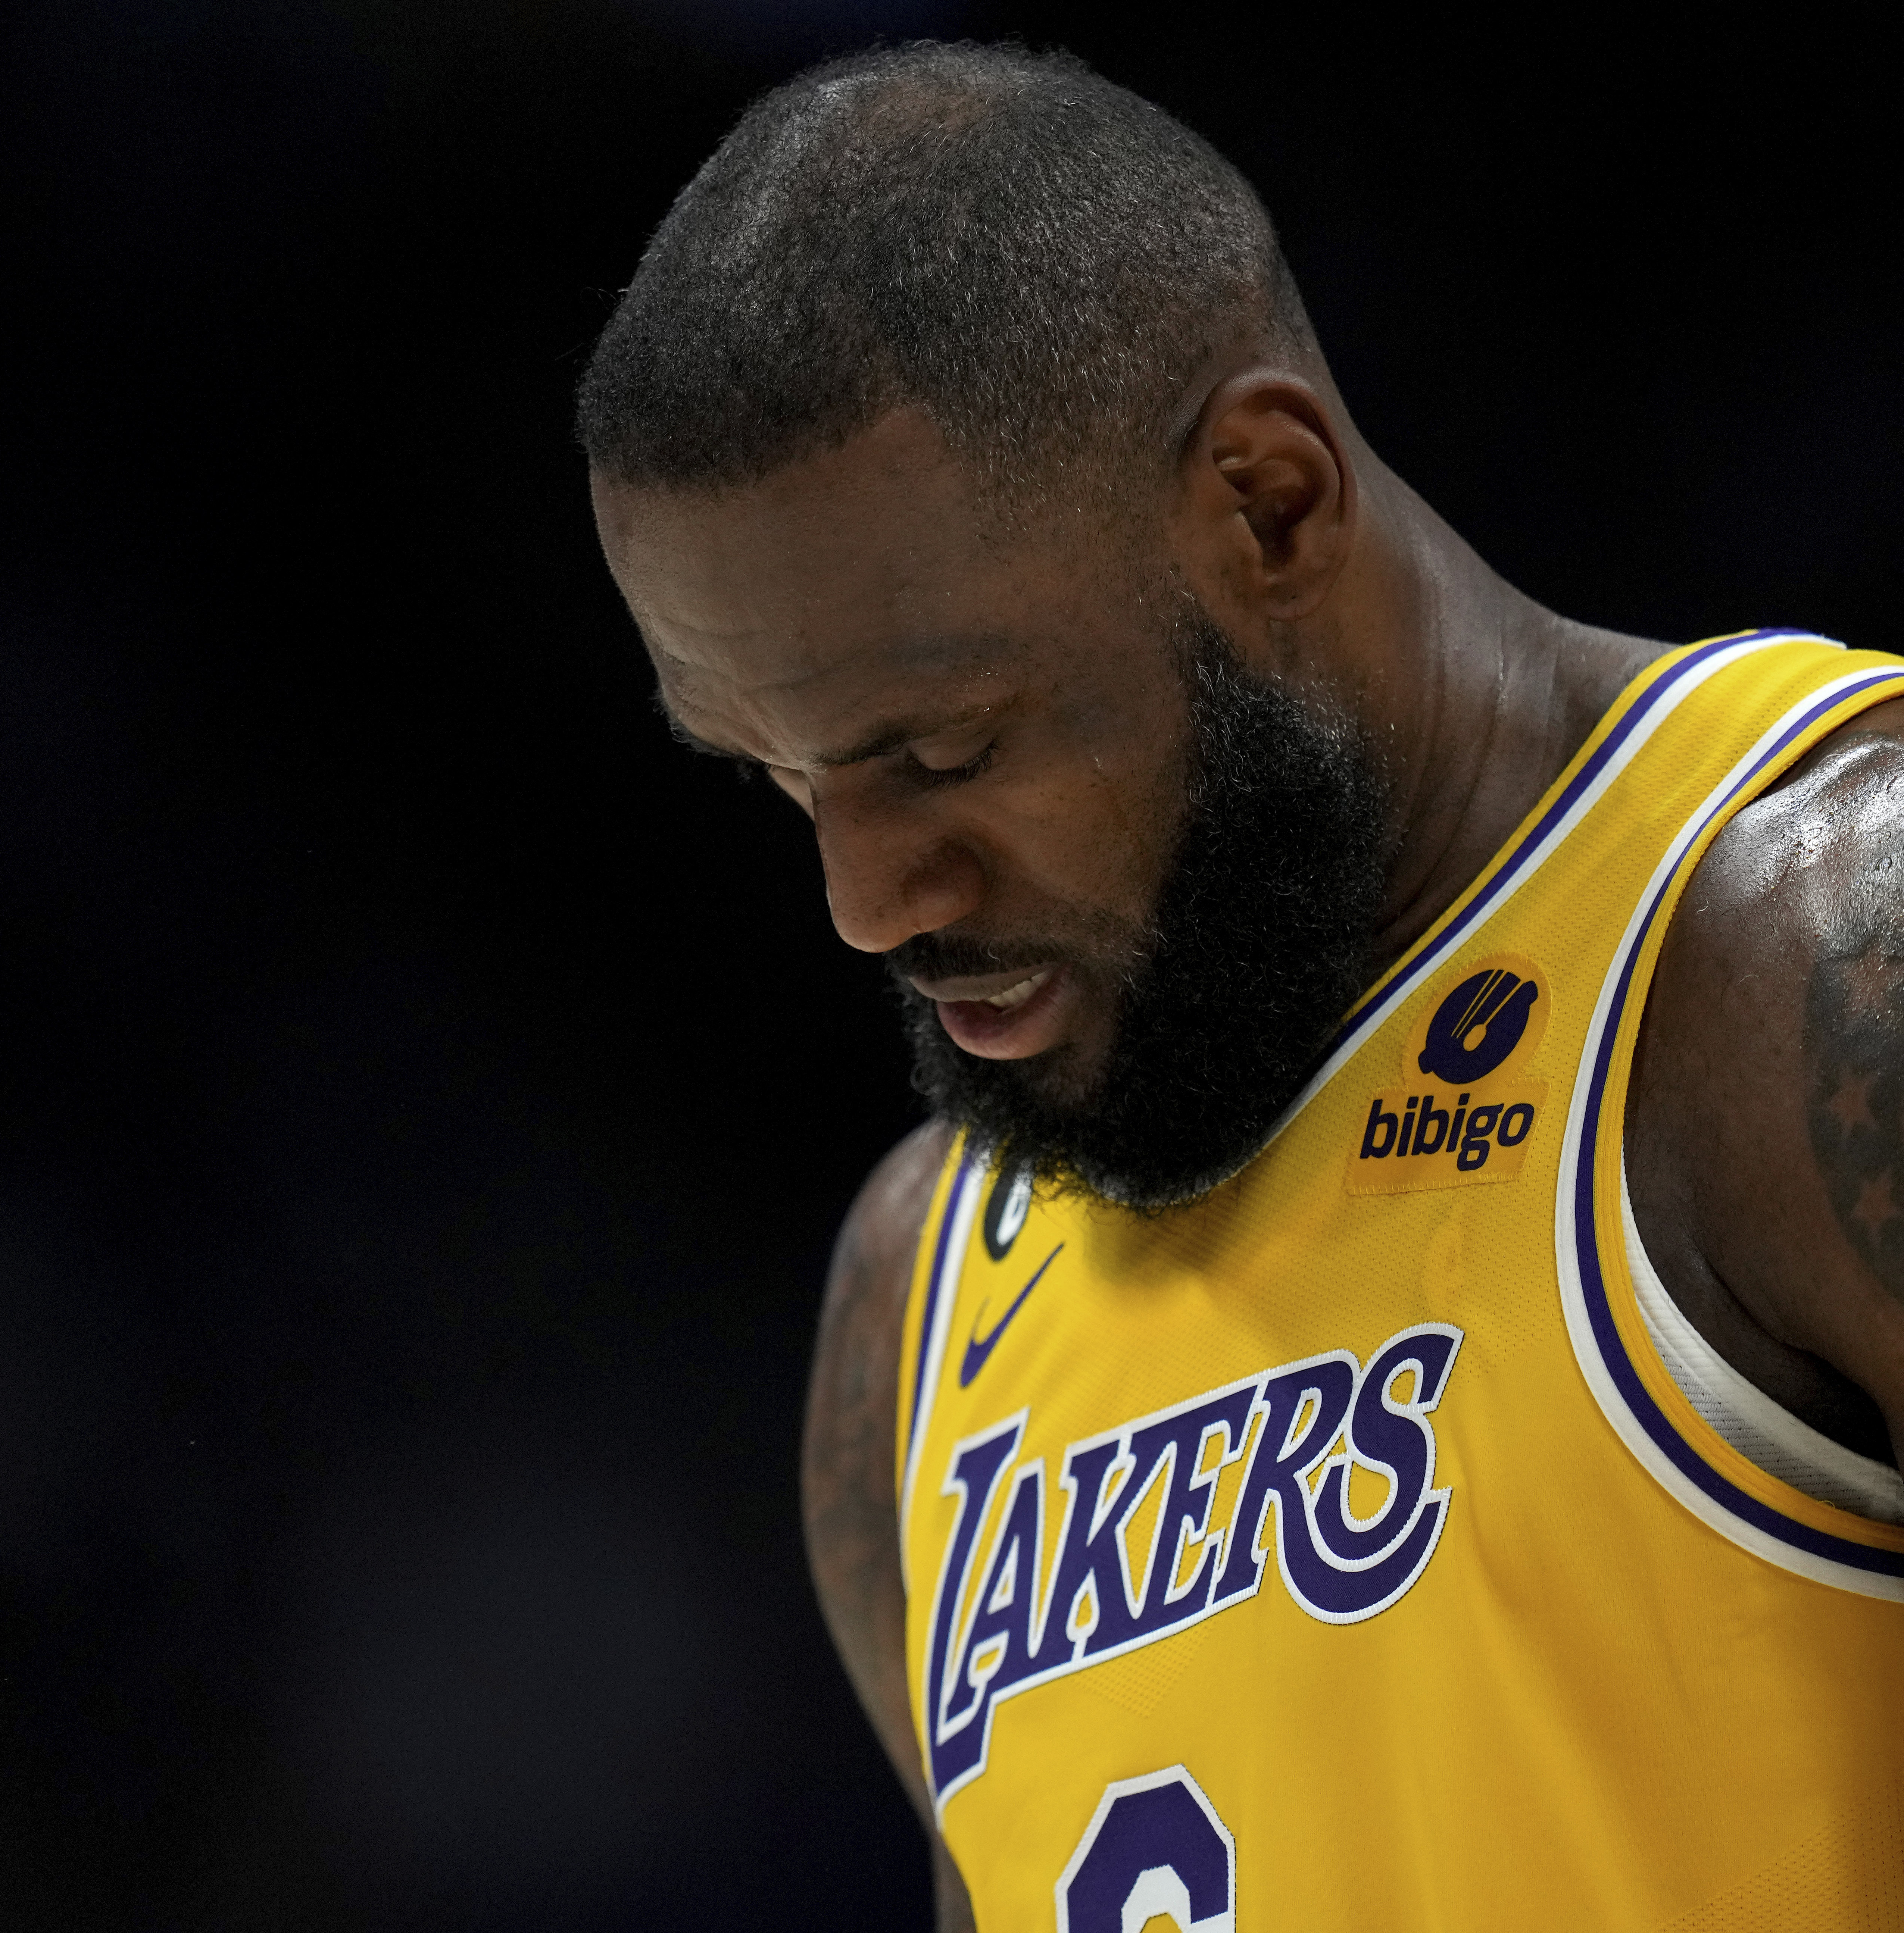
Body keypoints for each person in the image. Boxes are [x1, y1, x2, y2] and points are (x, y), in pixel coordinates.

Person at [579, 40, 1904, 1933]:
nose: (863, 901)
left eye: (938, 754)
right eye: (772, 777)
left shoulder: (1807, 957)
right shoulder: (913, 1319)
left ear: (1267, 505)